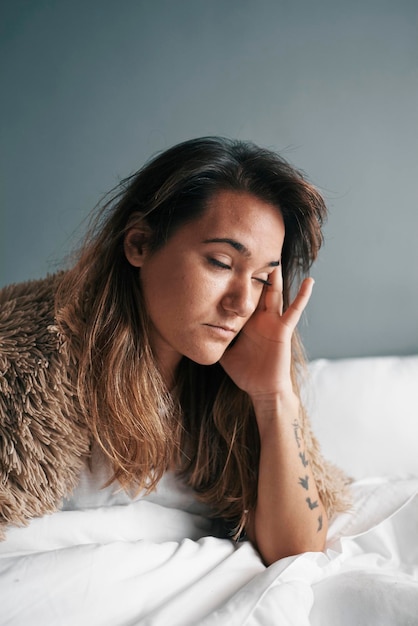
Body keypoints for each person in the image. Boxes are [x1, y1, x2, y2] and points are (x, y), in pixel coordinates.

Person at [0, 136, 349, 565]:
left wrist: (273, 396)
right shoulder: (26, 366)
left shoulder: (234, 387)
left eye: (261, 278)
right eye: (221, 263)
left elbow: (296, 551)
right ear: (139, 244)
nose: (241, 303)